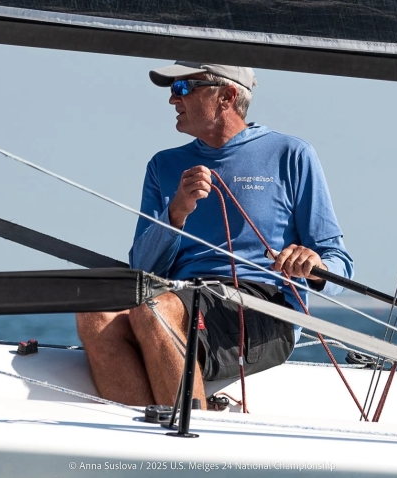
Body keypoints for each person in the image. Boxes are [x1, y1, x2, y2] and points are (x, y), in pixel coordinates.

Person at [75, 61, 353, 409]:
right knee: (93, 314)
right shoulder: (163, 165)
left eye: (182, 89)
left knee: (153, 311)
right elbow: (142, 267)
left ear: (227, 96)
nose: (173, 101)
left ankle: (191, 443)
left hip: (262, 307)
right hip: (177, 298)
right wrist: (176, 211)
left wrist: (312, 265)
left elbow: (340, 265)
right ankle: (152, 449)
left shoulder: (291, 155)